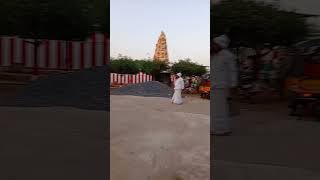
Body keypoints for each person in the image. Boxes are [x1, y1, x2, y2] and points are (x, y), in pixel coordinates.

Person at [211, 35, 238, 136]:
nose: (212, 46)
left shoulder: (228, 55)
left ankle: (222, 130)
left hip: (221, 86)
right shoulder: (214, 55)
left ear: (220, 44)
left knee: (220, 110)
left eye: (214, 44)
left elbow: (233, 71)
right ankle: (215, 128)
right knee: (214, 110)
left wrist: (233, 85)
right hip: (214, 86)